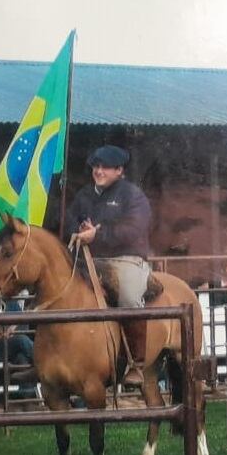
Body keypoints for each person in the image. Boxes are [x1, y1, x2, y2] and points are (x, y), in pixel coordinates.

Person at [65, 144, 152, 385]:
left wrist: (98, 234)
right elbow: (68, 222)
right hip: (88, 261)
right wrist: (78, 230)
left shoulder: (132, 195)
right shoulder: (83, 195)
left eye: (105, 167)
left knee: (129, 298)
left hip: (127, 260)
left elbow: (135, 228)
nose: (98, 171)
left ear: (119, 170)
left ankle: (137, 363)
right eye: (95, 166)